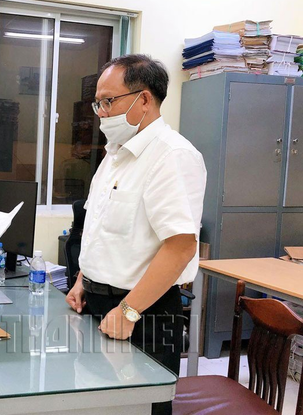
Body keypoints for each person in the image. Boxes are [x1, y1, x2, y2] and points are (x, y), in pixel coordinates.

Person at [65, 54, 206, 415]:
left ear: (144, 99)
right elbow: (100, 229)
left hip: (144, 314)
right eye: (97, 103)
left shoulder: (172, 156)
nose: (101, 113)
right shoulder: (115, 155)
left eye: (108, 101)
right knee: (96, 403)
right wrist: (83, 279)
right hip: (99, 304)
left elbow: (180, 248)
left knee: (140, 407)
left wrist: (129, 311)